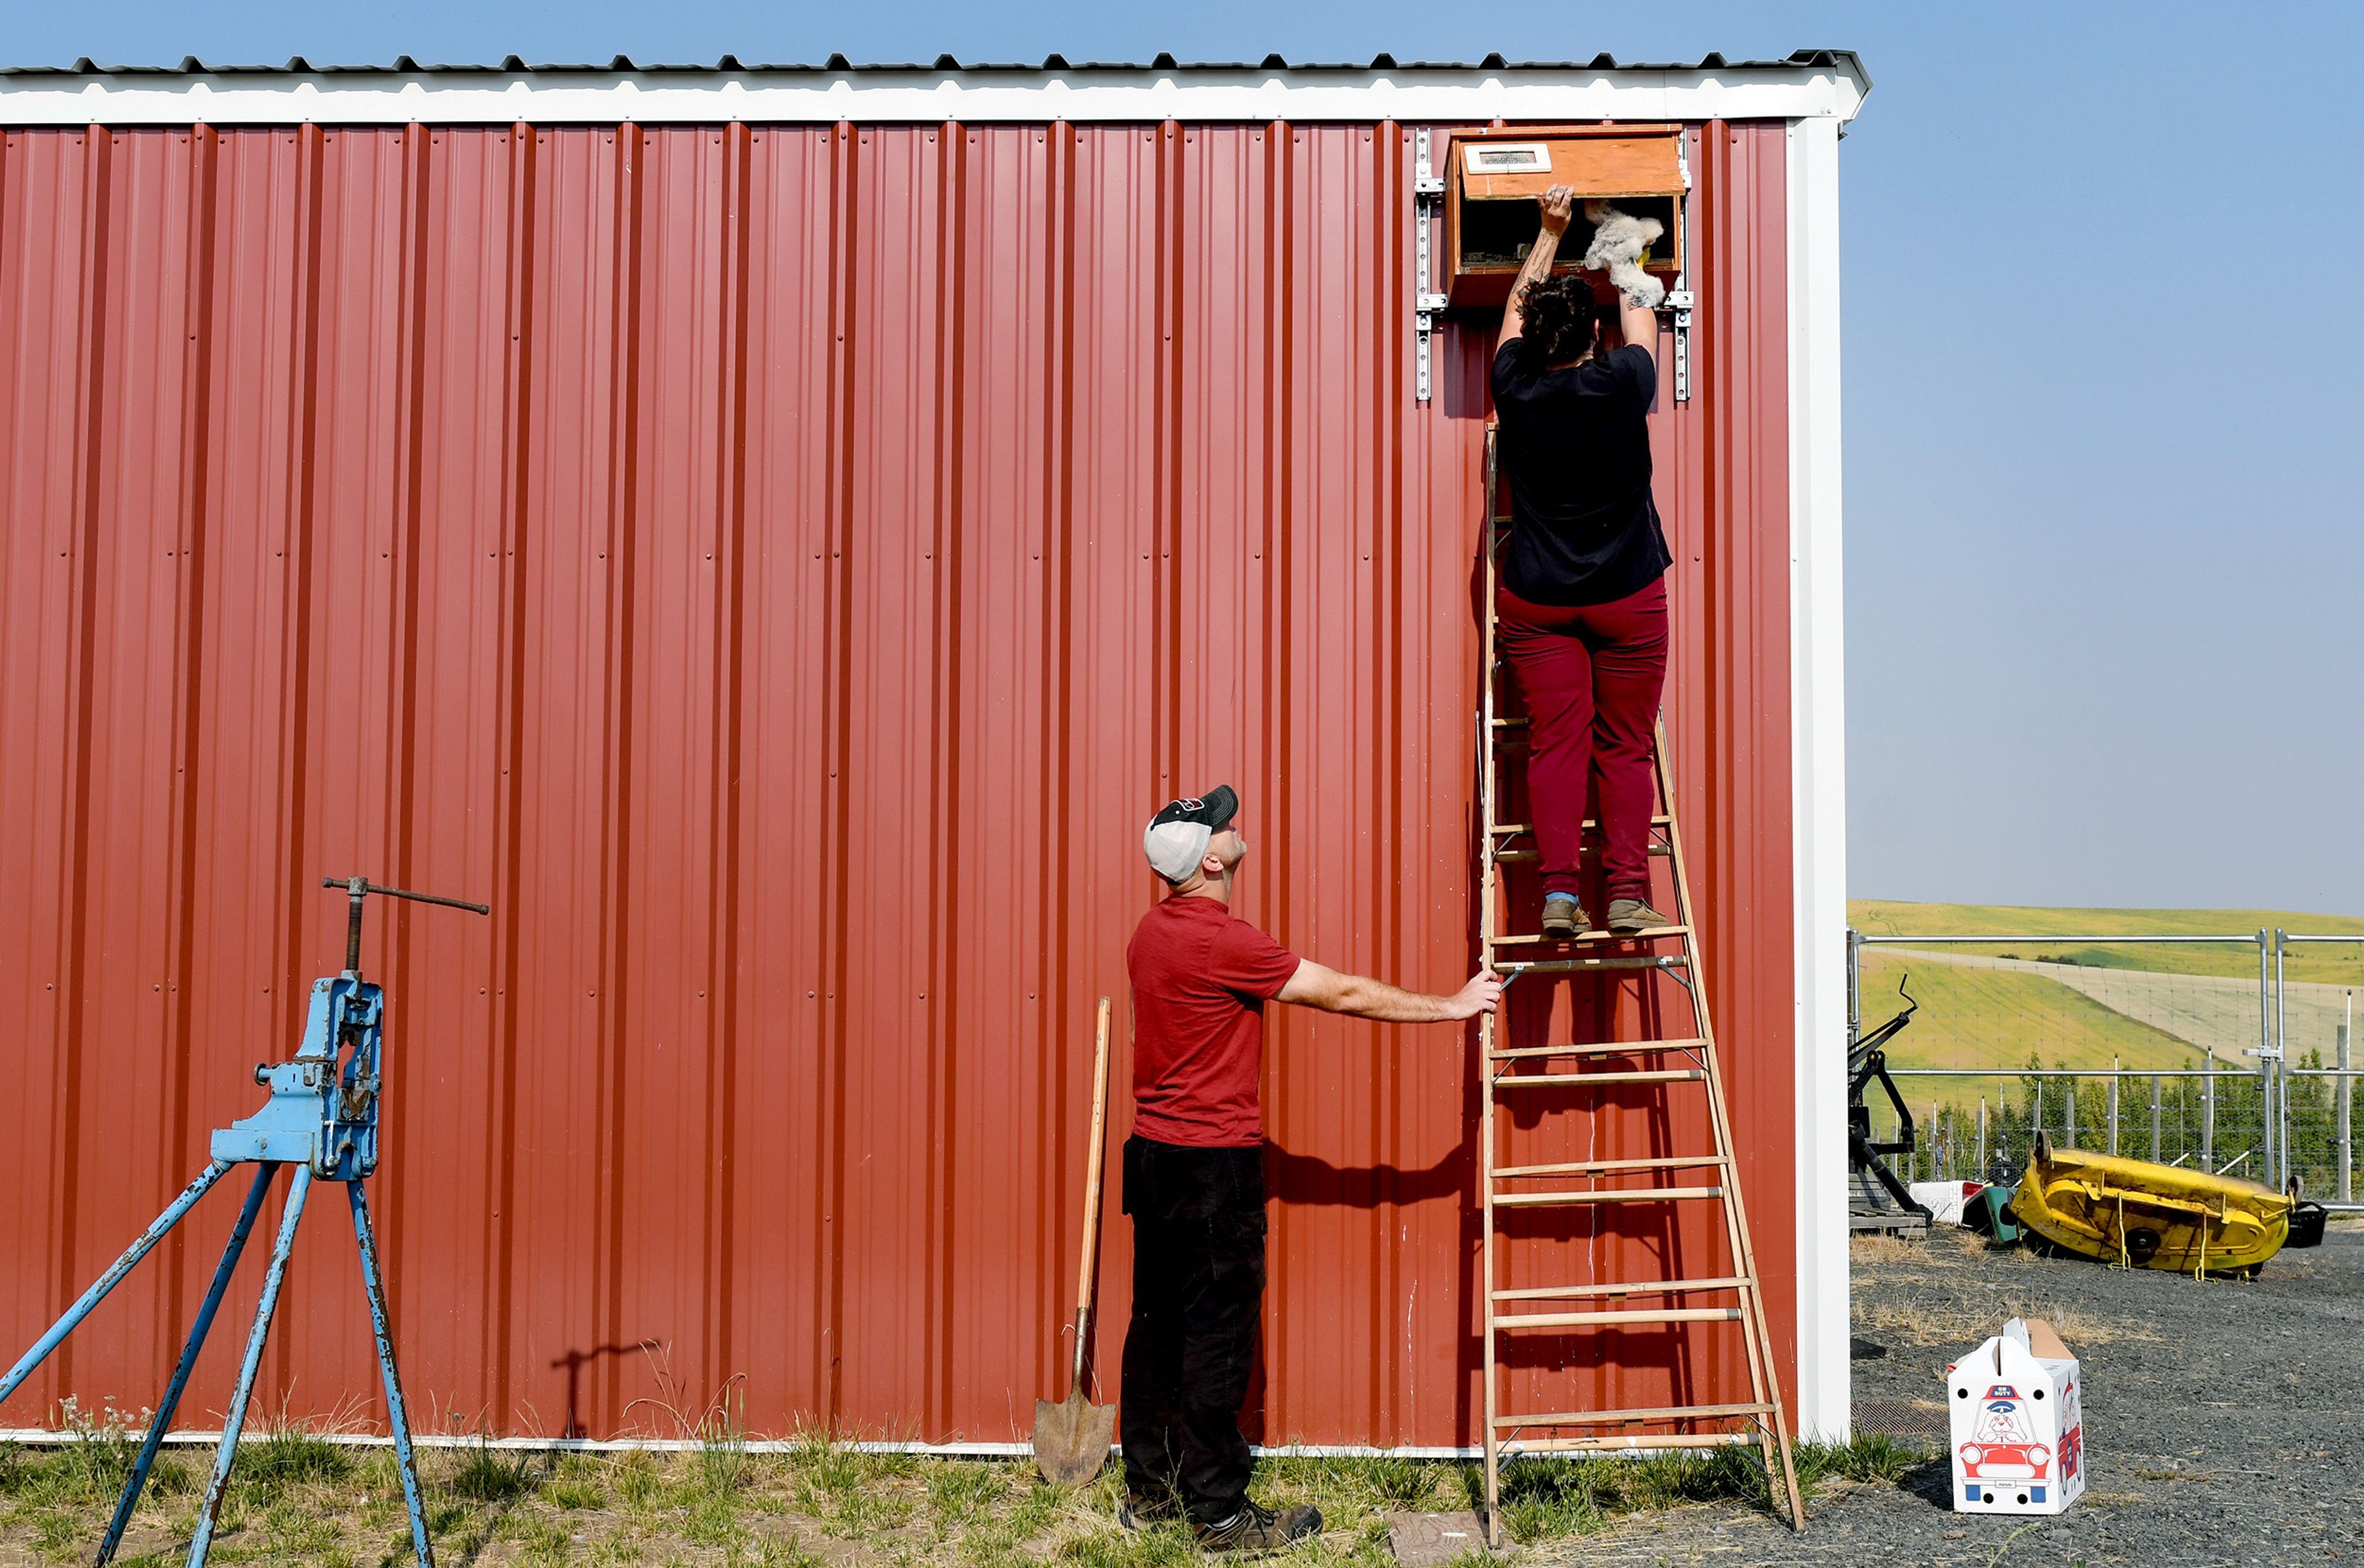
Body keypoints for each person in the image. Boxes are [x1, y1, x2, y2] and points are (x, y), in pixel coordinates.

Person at [1119, 786, 1500, 1550]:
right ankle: (1221, 1516)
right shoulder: (1222, 942)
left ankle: (1152, 1495)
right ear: (1209, 859)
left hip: (1154, 1157)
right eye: (1219, 825)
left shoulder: (1150, 932)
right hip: (1212, 1167)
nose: (1232, 826)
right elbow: (1347, 994)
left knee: (1157, 1329)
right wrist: (1454, 1006)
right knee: (1218, 1337)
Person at [1489, 185, 1674, 940]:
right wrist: (1624, 249)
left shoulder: (1516, 386)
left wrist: (1548, 232)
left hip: (1537, 600)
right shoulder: (1625, 380)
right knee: (1624, 743)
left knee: (1555, 743)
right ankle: (1627, 892)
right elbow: (1639, 301)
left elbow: (1512, 310)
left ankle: (1560, 895)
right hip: (1627, 595)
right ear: (1593, 332)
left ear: (1535, 339)